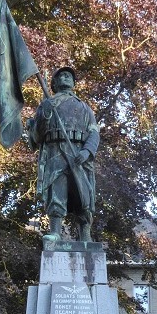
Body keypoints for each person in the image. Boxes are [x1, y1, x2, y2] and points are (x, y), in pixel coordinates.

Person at [26, 67, 100, 242]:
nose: (66, 77)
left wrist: (87, 151)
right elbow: (37, 136)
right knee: (56, 191)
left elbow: (94, 132)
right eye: (62, 75)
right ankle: (56, 232)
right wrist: (44, 115)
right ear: (54, 83)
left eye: (69, 76)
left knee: (84, 195)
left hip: (79, 154)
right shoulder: (47, 104)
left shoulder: (84, 107)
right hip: (55, 152)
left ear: (74, 83)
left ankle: (85, 235)